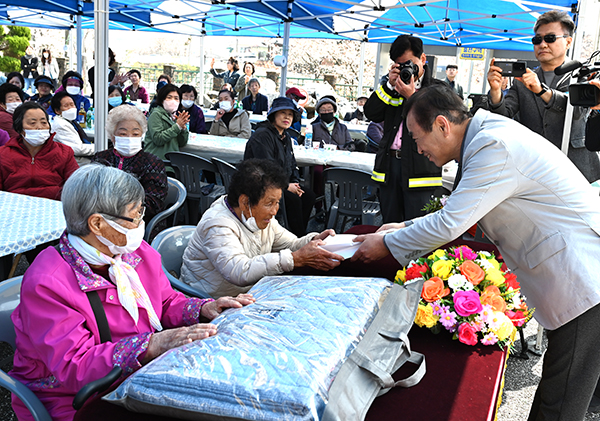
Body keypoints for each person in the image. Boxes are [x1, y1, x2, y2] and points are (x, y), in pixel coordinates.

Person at [353, 82, 600, 421]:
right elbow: (457, 211)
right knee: (556, 395)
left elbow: (451, 223)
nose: (417, 148)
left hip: (584, 283)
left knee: (561, 405)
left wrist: (384, 244)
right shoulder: (484, 138)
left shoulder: (492, 145)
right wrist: (401, 228)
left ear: (442, 125)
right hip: (574, 279)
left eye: (416, 138)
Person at [9, 164, 255, 421]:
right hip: (74, 398)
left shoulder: (132, 254)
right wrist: (152, 344)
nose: (141, 223)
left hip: (137, 376)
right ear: (97, 224)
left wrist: (203, 308)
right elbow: (75, 368)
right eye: (135, 215)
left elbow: (165, 300)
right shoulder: (47, 283)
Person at [180, 158, 343, 298]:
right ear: (244, 202)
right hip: (209, 301)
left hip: (246, 295)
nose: (274, 210)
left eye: (277, 202)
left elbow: (291, 244)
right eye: (269, 203)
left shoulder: (262, 218)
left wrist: (314, 240)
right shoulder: (217, 224)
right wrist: (294, 259)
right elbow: (239, 271)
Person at [486, 10, 600, 183]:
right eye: (537, 40)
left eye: (551, 38)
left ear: (568, 42)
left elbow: (576, 112)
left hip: (576, 169)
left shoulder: (583, 75)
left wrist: (541, 90)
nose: (543, 44)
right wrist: (495, 92)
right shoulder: (521, 80)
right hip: (534, 169)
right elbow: (503, 118)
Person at [364, 34, 444, 223]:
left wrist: (412, 96)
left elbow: (439, 125)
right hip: (389, 168)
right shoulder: (393, 87)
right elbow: (371, 113)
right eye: (400, 65)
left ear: (423, 59)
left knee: (418, 230)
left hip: (421, 172)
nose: (405, 69)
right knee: (390, 228)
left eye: (409, 63)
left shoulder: (439, 89)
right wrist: (388, 86)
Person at [244, 97, 316, 237]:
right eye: (282, 113)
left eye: (290, 114)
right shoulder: (263, 135)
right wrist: (285, 186)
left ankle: (297, 235)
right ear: (273, 115)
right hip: (260, 184)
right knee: (293, 200)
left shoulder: (286, 136)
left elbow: (291, 162)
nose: (287, 117)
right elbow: (266, 167)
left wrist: (295, 183)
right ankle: (296, 240)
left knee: (309, 196)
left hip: (280, 183)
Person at [92, 106, 167, 225]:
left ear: (142, 135)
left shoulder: (153, 163)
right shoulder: (101, 158)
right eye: (123, 133)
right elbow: (90, 190)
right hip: (99, 218)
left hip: (136, 223)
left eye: (135, 133)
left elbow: (154, 204)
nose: (129, 138)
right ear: (112, 136)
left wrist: (117, 206)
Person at [0, 102, 78, 200]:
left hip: (56, 205)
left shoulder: (64, 152)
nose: (39, 127)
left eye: (44, 122)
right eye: (32, 123)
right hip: (14, 206)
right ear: (19, 128)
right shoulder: (3, 154)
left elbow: (76, 187)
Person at [144, 83, 189, 161]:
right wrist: (177, 126)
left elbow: (182, 143)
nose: (173, 101)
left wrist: (183, 129)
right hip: (157, 162)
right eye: (169, 97)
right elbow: (158, 139)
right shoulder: (156, 114)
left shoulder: (174, 117)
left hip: (172, 162)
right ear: (162, 100)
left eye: (176, 98)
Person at [50, 91, 94, 164]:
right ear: (57, 111)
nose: (71, 108)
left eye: (72, 104)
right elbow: (78, 149)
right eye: (66, 106)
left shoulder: (70, 121)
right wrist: (99, 147)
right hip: (77, 162)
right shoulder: (60, 125)